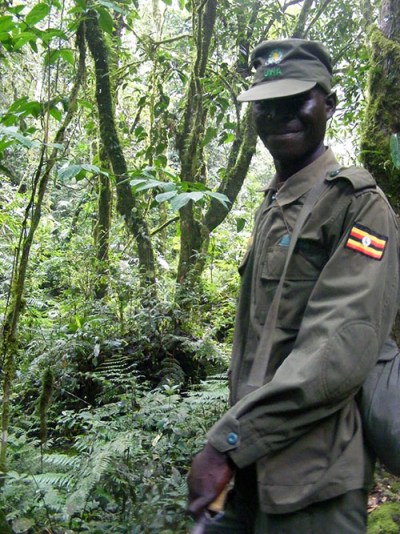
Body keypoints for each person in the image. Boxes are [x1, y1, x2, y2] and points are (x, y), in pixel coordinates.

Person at [187, 38, 400, 533]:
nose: (282, 114)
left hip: (314, 484)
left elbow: (341, 345)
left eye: (298, 99)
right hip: (253, 474)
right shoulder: (274, 205)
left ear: (329, 102)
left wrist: (228, 442)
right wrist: (237, 453)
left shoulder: (357, 204)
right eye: (268, 103)